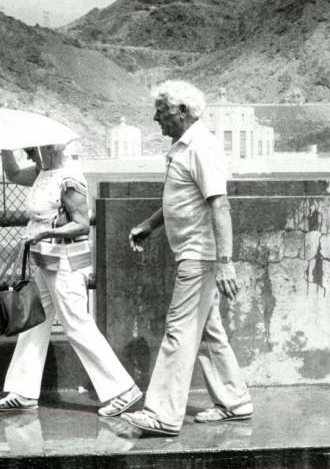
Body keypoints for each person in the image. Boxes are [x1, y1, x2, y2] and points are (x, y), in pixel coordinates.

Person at [120, 80, 252, 437]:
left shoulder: (201, 147)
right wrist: (150, 225)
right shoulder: (185, 147)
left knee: (179, 330)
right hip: (194, 254)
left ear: (181, 112)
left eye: (161, 112)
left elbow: (219, 204)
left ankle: (162, 414)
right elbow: (181, 199)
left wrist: (225, 261)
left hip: (200, 256)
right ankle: (234, 401)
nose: (155, 118)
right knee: (208, 332)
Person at [0, 143, 141, 417]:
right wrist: (4, 148)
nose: (29, 156)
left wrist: (44, 234)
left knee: (76, 324)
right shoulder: (43, 173)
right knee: (34, 322)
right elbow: (12, 174)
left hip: (68, 262)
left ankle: (122, 390)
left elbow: (81, 224)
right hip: (46, 261)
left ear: (50, 149)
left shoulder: (69, 179)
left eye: (32, 151)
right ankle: (23, 391)